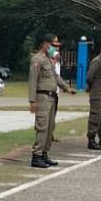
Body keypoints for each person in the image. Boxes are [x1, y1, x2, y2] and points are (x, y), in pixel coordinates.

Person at [28, 34, 64, 168]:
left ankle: (44, 153)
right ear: (45, 44)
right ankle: (36, 156)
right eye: (53, 45)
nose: (55, 48)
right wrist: (32, 101)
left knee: (50, 128)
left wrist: (66, 87)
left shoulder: (48, 59)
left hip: (52, 97)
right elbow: (33, 80)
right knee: (42, 127)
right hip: (42, 97)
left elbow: (55, 76)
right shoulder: (37, 59)